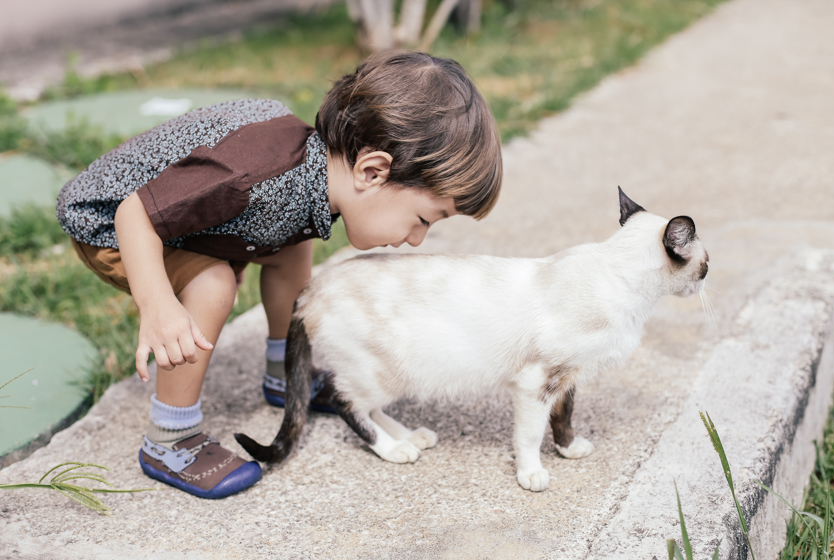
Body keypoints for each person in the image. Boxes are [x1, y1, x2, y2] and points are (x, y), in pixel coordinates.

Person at [56, 51, 503, 499]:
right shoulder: (250, 176)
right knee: (212, 286)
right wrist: (158, 305)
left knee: (291, 250)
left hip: (181, 220)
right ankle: (170, 438)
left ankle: (283, 374)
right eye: (424, 219)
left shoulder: (309, 179)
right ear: (372, 172)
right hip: (115, 227)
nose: (417, 239)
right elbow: (134, 213)